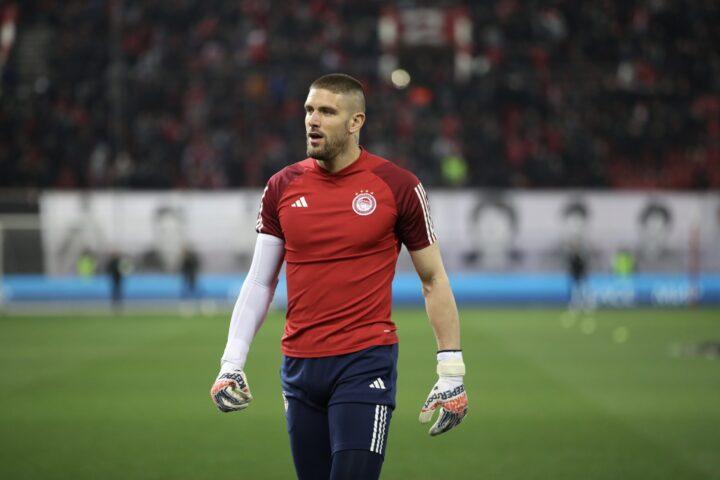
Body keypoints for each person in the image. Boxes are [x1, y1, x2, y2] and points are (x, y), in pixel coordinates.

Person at [210, 73, 468, 480]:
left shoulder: (398, 187)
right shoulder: (281, 187)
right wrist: (231, 362)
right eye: (309, 110)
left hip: (365, 363)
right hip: (299, 368)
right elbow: (260, 281)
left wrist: (451, 370)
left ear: (355, 122)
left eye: (327, 112)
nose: (313, 120)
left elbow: (433, 278)